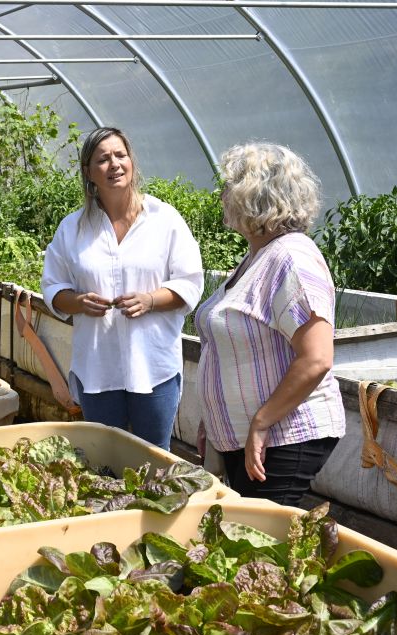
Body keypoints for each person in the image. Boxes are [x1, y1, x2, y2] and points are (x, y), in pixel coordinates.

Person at [195, 142, 345, 506]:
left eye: (229, 186)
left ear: (255, 195)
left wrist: (261, 422)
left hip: (284, 437)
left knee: (262, 546)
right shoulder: (259, 256)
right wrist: (213, 419)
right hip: (254, 437)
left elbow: (316, 358)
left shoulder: (291, 257)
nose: (222, 196)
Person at [41, 127, 203, 450]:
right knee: (104, 460)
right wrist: (79, 302)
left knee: (154, 459)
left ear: (131, 162)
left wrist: (150, 300)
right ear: (88, 172)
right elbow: (53, 287)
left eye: (120, 155)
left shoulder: (164, 220)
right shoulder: (73, 229)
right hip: (97, 367)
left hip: (153, 368)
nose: (114, 164)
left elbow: (190, 282)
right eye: (103, 159)